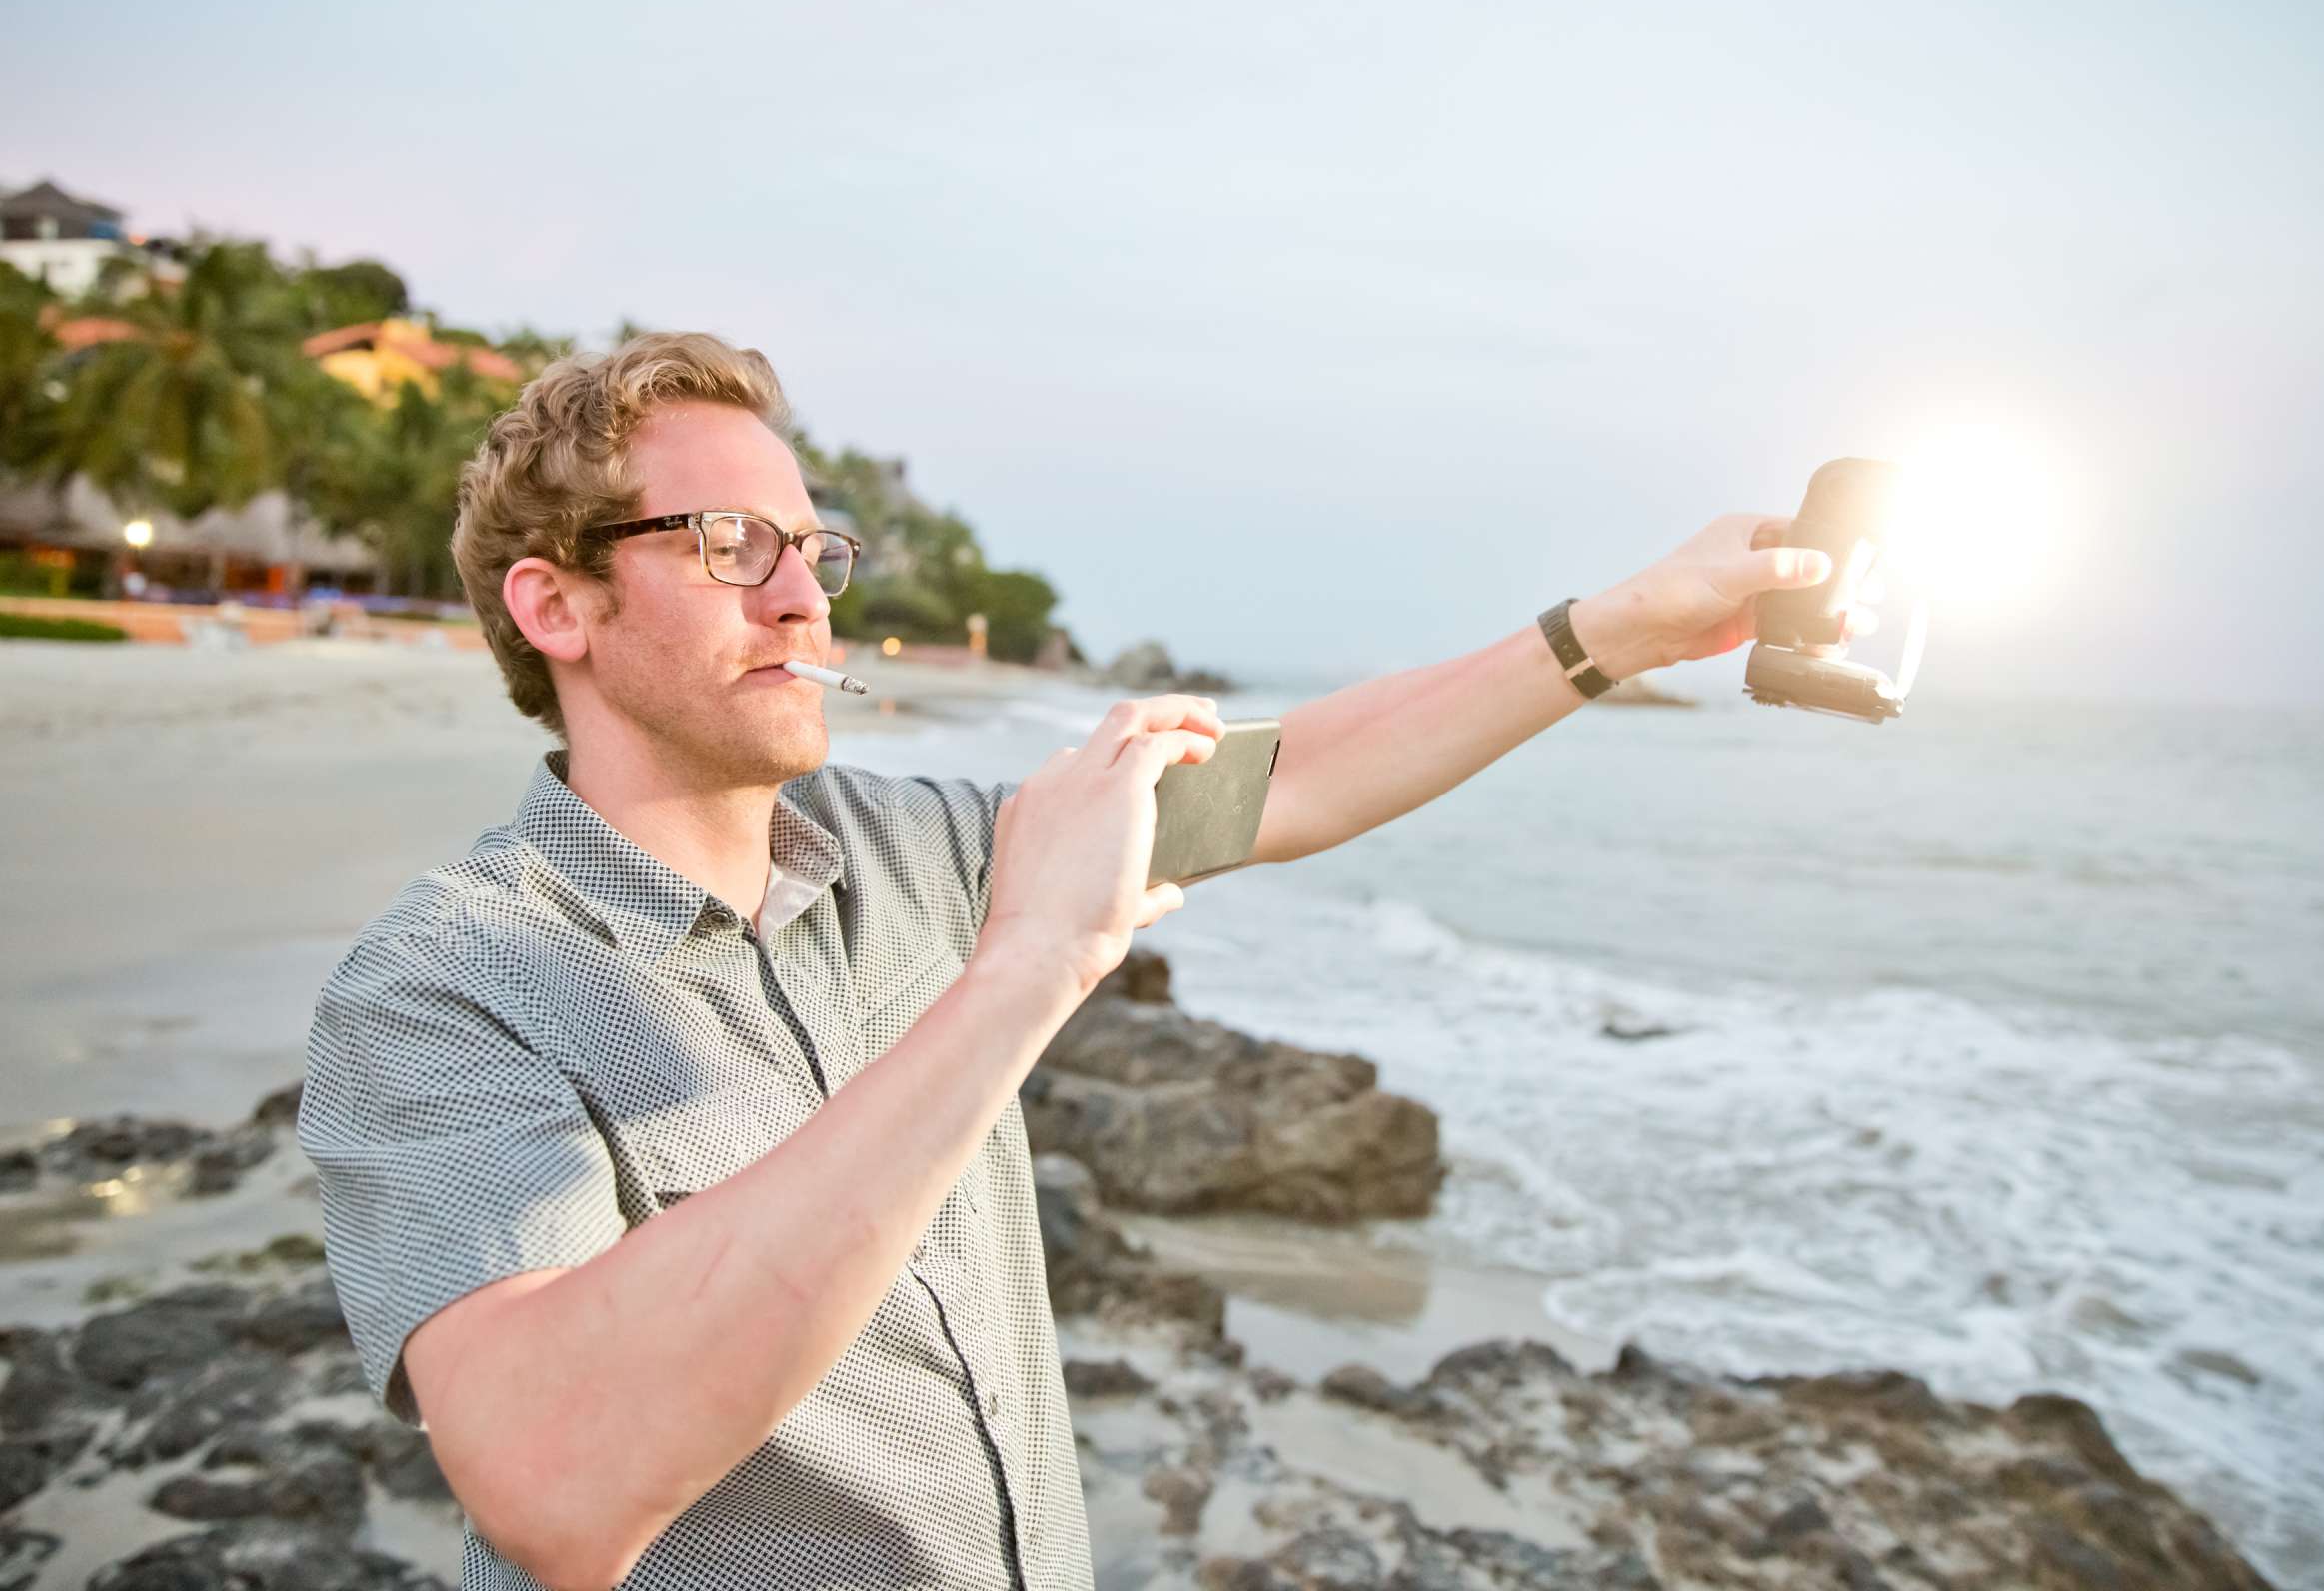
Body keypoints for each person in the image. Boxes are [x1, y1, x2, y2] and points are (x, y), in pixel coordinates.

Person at [297, 331, 1839, 1591]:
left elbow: (1287, 775)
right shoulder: (445, 989)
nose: (802, 592)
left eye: (810, 547)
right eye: (725, 545)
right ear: (553, 602)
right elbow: (551, 1481)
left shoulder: (913, 851)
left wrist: (1621, 631)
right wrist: (1025, 967)